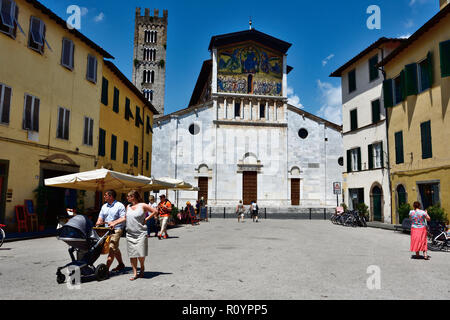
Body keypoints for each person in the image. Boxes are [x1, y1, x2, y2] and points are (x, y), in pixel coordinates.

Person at [109, 190, 158, 281]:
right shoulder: (128, 206)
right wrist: (114, 223)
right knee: (132, 254)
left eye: (128, 196)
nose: (127, 198)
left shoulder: (142, 205)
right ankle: (135, 273)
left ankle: (142, 267)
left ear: (133, 197)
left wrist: (146, 219)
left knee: (140, 254)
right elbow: (124, 218)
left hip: (140, 233)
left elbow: (155, 211)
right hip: (130, 233)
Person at [95, 190, 126, 273]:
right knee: (115, 248)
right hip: (106, 230)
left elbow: (123, 218)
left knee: (111, 247)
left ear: (111, 196)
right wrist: (99, 221)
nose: (104, 196)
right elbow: (101, 217)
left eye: (105, 195)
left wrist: (114, 223)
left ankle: (106, 269)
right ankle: (121, 264)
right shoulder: (104, 206)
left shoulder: (120, 206)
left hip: (116, 229)